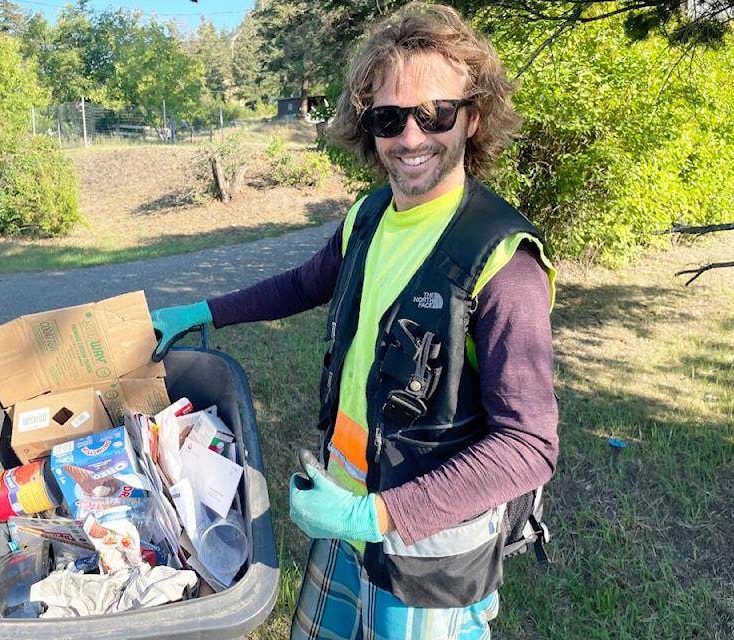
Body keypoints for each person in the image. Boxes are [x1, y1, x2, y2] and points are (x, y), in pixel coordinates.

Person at [150, 3, 558, 638]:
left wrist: (378, 516)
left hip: (424, 539)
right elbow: (306, 282)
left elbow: (528, 448)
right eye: (390, 117)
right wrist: (205, 310)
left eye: (436, 114)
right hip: (344, 495)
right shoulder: (370, 216)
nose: (413, 137)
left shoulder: (503, 262)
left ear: (472, 119)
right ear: (369, 128)